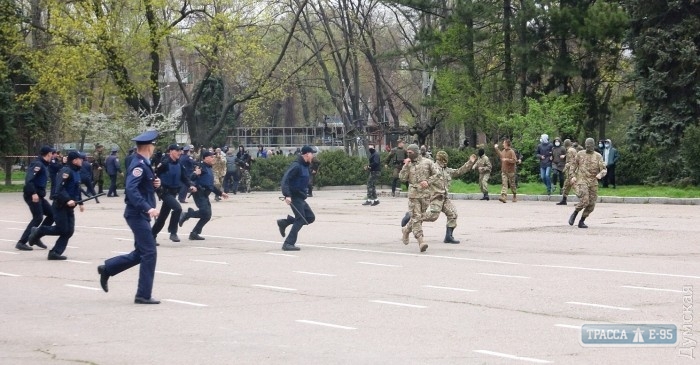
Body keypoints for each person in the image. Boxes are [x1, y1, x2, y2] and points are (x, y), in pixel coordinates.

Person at [97, 130, 162, 304]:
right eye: (153, 145)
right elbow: (131, 189)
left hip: (140, 214)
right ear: (148, 146)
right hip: (137, 214)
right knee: (150, 252)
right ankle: (143, 294)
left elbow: (141, 187)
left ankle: (108, 268)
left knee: (141, 253)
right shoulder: (139, 164)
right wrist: (148, 208)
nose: (154, 148)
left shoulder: (143, 163)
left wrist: (155, 184)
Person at [28, 151, 85, 260]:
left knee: (69, 231)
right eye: (80, 159)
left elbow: (76, 189)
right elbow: (58, 189)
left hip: (70, 207)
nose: (82, 160)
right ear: (74, 160)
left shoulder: (77, 172)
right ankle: (39, 231)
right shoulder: (66, 170)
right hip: (60, 205)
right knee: (62, 229)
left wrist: (80, 203)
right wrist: (67, 200)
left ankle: (55, 252)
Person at [421, 151, 477, 244]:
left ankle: (449, 236)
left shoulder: (447, 170)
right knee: (433, 216)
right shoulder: (433, 168)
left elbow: (459, 171)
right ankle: (414, 216)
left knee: (453, 214)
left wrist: (470, 162)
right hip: (436, 197)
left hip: (444, 198)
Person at [178, 151, 229, 240]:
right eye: (211, 157)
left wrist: (220, 193)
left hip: (205, 194)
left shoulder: (209, 168)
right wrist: (195, 174)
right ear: (205, 158)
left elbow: (210, 185)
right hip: (199, 192)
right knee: (205, 212)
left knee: (207, 216)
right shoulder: (201, 167)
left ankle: (194, 233)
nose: (213, 158)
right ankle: (187, 214)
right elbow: (190, 178)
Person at [152, 144, 197, 243]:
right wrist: (157, 188)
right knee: (178, 208)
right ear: (171, 151)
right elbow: (154, 175)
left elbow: (184, 177)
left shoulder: (179, 164)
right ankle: (173, 232)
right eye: (177, 150)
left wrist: (190, 185)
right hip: (164, 192)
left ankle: (151, 236)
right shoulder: (164, 163)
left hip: (173, 192)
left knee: (162, 217)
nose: (179, 153)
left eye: (180, 151)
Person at [276, 145, 317, 251]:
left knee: (310, 217)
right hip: (294, 196)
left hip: (300, 196)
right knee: (300, 219)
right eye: (312, 153)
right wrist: (287, 195)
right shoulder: (296, 165)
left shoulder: (306, 165)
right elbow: (285, 180)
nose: (313, 156)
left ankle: (285, 222)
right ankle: (288, 243)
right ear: (307, 154)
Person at [399, 144, 438, 252]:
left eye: (410, 152)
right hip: (413, 195)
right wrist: (405, 166)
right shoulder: (408, 164)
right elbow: (402, 178)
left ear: (416, 152)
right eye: (407, 152)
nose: (408, 154)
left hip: (425, 195)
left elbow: (437, 174)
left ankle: (406, 230)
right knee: (416, 217)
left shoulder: (427, 162)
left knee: (419, 217)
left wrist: (428, 181)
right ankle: (421, 241)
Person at [16, 146, 55, 251]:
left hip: (39, 195)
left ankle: (36, 236)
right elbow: (29, 179)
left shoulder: (45, 164)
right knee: (38, 217)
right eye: (52, 153)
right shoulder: (37, 164)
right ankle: (21, 242)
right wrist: (33, 193)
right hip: (32, 194)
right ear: (48, 154)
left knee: (52, 214)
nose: (53, 155)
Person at [568, 138, 607, 228]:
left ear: (593, 146)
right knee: (585, 201)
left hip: (593, 182)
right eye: (587, 145)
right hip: (582, 180)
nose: (588, 147)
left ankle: (582, 221)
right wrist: (572, 176)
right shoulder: (580, 154)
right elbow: (573, 165)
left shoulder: (598, 156)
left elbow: (604, 169)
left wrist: (600, 175)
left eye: (590, 145)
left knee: (591, 204)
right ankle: (575, 212)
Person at [557, 139, 577, 205]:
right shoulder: (573, 149)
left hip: (571, 171)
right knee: (566, 185)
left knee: (574, 186)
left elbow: (571, 162)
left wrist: (567, 168)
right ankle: (564, 200)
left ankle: (583, 200)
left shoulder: (569, 150)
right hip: (572, 170)